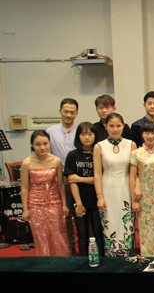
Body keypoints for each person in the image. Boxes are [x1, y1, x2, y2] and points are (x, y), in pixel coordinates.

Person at [20, 131, 70, 257]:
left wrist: (64, 204)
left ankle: (61, 261)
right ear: (32, 145)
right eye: (38, 144)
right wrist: (25, 209)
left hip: (54, 201)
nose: (42, 147)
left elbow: (60, 184)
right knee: (40, 235)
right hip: (35, 203)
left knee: (58, 233)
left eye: (45, 144)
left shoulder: (56, 161)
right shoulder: (27, 163)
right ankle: (44, 262)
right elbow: (24, 187)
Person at [94, 113, 137, 257]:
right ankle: (112, 258)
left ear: (123, 126)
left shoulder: (131, 145)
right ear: (105, 126)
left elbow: (134, 172)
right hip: (108, 188)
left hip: (126, 187)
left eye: (118, 126)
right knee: (110, 224)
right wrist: (99, 196)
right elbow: (97, 174)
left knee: (126, 225)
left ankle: (129, 257)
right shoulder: (99, 146)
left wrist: (134, 196)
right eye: (111, 126)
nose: (115, 129)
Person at [65, 122, 105, 258]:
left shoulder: (99, 153)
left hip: (97, 199)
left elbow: (101, 178)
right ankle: (82, 260)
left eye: (90, 134)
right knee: (82, 235)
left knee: (98, 233)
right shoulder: (72, 155)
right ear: (78, 136)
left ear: (95, 135)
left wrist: (80, 179)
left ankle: (102, 259)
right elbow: (72, 181)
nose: (87, 137)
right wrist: (78, 203)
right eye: (83, 134)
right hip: (79, 200)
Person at [130, 122, 154, 257]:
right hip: (144, 198)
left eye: (153, 133)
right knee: (146, 231)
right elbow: (132, 177)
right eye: (147, 133)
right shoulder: (136, 153)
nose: (150, 136)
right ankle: (147, 261)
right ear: (142, 135)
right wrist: (134, 200)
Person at [46, 98, 79, 254]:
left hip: (78, 178)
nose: (68, 115)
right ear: (60, 111)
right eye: (66, 111)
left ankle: (86, 245)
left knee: (81, 212)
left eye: (72, 112)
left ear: (76, 113)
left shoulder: (80, 130)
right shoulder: (50, 132)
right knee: (65, 214)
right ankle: (69, 247)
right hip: (60, 178)